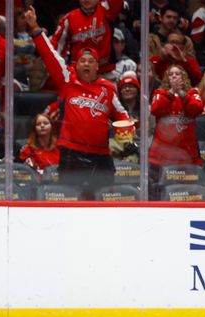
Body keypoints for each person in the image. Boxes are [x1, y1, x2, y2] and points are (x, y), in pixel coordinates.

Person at [26, 6, 131, 199]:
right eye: (82, 61)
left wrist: (126, 132)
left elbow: (122, 114)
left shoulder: (107, 88)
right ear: (76, 64)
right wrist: (35, 29)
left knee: (103, 201)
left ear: (97, 66)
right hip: (71, 155)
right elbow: (50, 56)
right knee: (70, 201)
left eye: (91, 61)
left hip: (100, 157)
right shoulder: (68, 80)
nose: (86, 64)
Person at [149, 65, 204, 199]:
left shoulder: (193, 93)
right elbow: (156, 109)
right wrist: (171, 93)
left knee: (185, 192)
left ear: (183, 77)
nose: (174, 76)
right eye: (171, 74)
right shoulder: (160, 93)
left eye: (177, 74)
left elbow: (196, 109)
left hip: (187, 155)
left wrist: (182, 94)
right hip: (161, 156)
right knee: (160, 191)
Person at [51, 0, 123, 77]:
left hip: (105, 73)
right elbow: (56, 47)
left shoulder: (107, 10)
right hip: (78, 75)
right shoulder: (69, 19)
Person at [19, 112, 59, 178]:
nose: (42, 126)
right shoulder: (28, 150)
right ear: (34, 128)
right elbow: (26, 172)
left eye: (46, 123)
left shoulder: (60, 148)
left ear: (52, 126)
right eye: (38, 124)